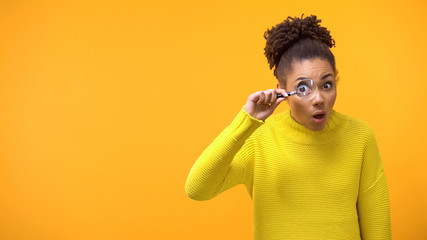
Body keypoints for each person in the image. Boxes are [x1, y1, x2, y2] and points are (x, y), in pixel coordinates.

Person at [185, 15, 391, 239]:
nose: (319, 98)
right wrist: (246, 121)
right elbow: (197, 189)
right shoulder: (259, 138)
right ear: (282, 90)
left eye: (327, 84)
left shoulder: (359, 136)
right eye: (303, 88)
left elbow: (377, 227)